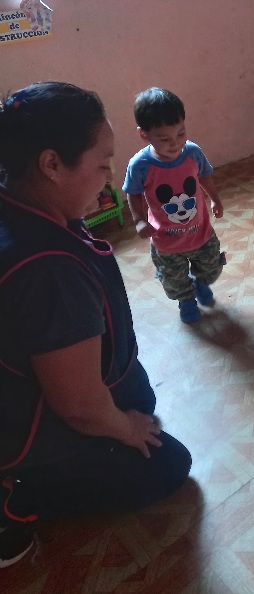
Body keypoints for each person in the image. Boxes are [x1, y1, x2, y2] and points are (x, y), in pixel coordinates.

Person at [0, 82, 192, 569]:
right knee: (169, 465)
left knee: (142, 405)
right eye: (103, 165)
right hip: (28, 426)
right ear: (51, 163)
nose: (109, 181)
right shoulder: (50, 271)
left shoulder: (17, 200)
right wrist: (123, 428)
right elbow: (80, 405)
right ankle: (16, 499)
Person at [123, 88, 226, 324]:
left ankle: (200, 283)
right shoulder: (140, 165)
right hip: (166, 241)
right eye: (165, 139)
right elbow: (133, 193)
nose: (175, 143)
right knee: (174, 279)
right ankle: (186, 301)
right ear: (144, 135)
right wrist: (139, 220)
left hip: (200, 233)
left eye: (181, 134)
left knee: (211, 268)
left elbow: (205, 176)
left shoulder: (192, 153)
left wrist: (215, 199)